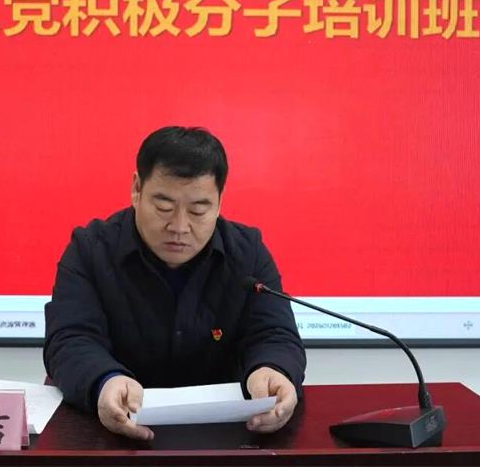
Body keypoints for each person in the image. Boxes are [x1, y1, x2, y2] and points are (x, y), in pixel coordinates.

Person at [44, 126, 306, 441]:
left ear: (219, 202)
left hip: (227, 436)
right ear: (137, 189)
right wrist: (104, 381)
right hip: (111, 434)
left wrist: (273, 370)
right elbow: (70, 339)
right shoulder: (90, 250)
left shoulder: (247, 252)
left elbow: (274, 333)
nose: (179, 226)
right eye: (164, 207)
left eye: (198, 210)